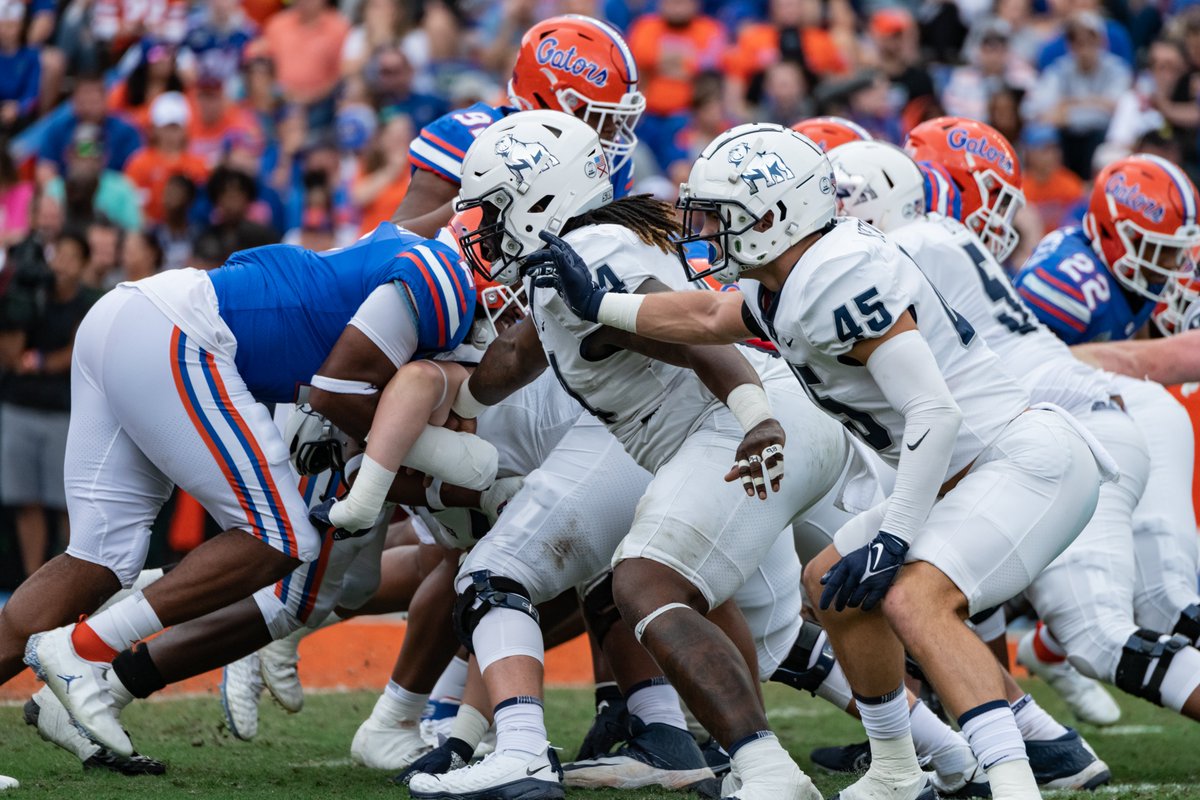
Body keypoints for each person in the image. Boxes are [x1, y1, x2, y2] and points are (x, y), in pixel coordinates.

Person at [537, 122, 1111, 800]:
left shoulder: (836, 278)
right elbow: (702, 318)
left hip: (1018, 461)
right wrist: (600, 302)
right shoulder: (788, 277)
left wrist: (895, 536)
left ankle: (1014, 785)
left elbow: (934, 410)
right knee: (830, 582)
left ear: (776, 217)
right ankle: (898, 771)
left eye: (723, 219)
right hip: (970, 471)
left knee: (911, 598)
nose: (707, 234)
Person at [420, 109, 850, 800]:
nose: (487, 229)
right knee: (740, 617)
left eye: (497, 208)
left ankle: (540, 753)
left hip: (730, 428)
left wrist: (752, 416)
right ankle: (938, 754)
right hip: (745, 427)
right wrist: (455, 405)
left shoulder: (595, 251)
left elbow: (689, 333)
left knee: (600, 582)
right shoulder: (585, 248)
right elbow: (517, 355)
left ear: (537, 198)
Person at [3, 219, 477, 763]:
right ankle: (82, 649)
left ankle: (67, 695)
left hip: (134, 315)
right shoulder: (444, 279)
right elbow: (336, 388)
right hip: (183, 331)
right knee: (281, 536)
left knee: (100, 558)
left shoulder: (410, 248)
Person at [393, 14, 644, 237]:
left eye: (617, 116)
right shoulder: (471, 136)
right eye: (602, 115)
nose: (612, 129)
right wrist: (480, 200)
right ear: (554, 101)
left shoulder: (610, 159)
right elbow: (393, 244)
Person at [0, 228, 102, 579]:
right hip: (19, 407)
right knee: (25, 501)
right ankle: (31, 581)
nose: (63, 264)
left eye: (73, 257)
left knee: (65, 505)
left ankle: (73, 585)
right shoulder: (30, 293)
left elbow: (78, 351)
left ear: (86, 264)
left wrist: (41, 362)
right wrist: (17, 299)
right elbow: (11, 357)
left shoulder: (90, 300)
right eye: (60, 254)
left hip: (63, 412)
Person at [123, 92, 210, 224]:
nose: (170, 134)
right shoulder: (139, 163)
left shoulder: (199, 165)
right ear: (155, 129)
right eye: (166, 127)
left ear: (185, 129)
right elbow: (132, 205)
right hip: (149, 232)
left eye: (175, 128)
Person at [37, 74, 142, 182]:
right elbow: (45, 169)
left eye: (93, 102)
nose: (88, 108)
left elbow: (136, 172)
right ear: (73, 101)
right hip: (67, 192)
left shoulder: (127, 131)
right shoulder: (56, 129)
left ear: (106, 99)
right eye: (83, 101)